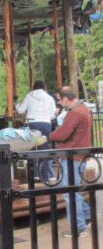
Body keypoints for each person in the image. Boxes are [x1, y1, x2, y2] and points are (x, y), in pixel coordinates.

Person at [49, 86, 93, 238]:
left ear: (65, 99)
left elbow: (63, 134)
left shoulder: (75, 113)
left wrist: (51, 134)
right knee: (73, 191)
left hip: (73, 157)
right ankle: (88, 215)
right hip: (80, 156)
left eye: (60, 100)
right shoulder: (84, 109)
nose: (60, 103)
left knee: (69, 193)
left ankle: (79, 227)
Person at [14, 80, 56, 181]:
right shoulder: (49, 97)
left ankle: (34, 175)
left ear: (34, 87)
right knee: (44, 149)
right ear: (44, 87)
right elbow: (52, 115)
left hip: (32, 122)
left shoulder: (29, 95)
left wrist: (16, 104)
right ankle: (44, 176)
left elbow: (21, 110)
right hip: (45, 124)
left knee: (32, 149)